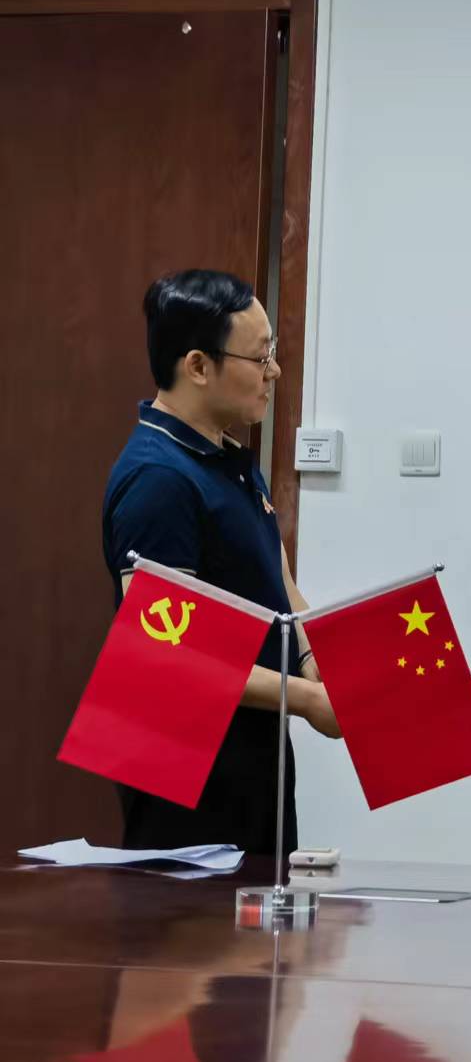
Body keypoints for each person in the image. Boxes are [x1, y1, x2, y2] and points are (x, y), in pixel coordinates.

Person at [101, 269, 340, 856]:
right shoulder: (158, 479)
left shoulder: (228, 459)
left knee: (266, 910)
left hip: (252, 755)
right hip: (188, 774)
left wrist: (317, 662)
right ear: (198, 366)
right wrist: (308, 699)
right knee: (197, 918)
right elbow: (166, 651)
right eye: (261, 357)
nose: (274, 372)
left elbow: (279, 579)